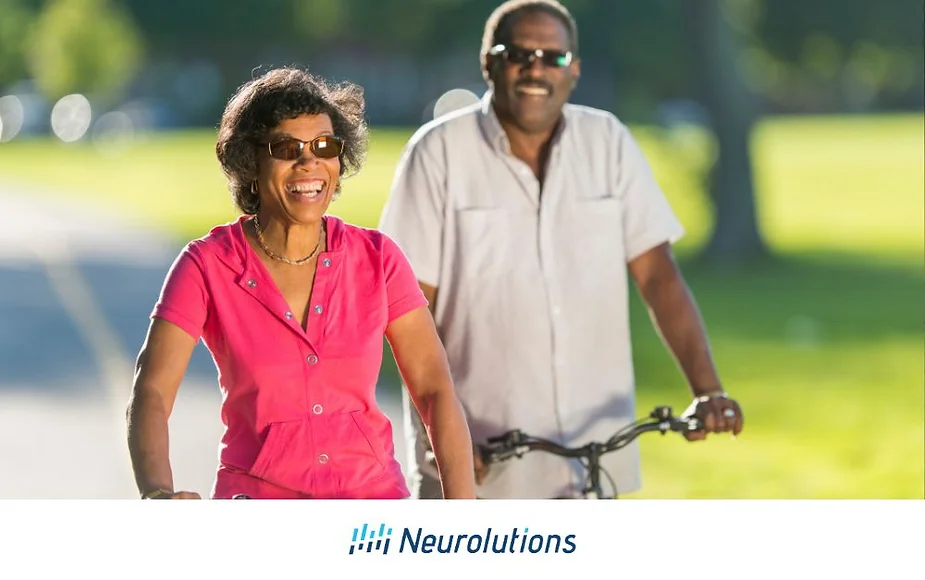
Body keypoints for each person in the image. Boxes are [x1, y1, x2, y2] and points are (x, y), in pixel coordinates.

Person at [377, 0, 744, 499]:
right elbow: (407, 310)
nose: (535, 68)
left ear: (574, 69)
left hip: (595, 459)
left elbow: (658, 275)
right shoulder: (438, 152)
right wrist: (444, 432)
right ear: (488, 62)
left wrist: (708, 390)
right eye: (518, 53)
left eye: (552, 56)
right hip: (478, 460)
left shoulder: (608, 142)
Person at [125, 67, 476, 500]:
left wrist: (463, 517)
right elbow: (153, 390)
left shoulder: (378, 259)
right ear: (251, 161)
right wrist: (157, 493)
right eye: (287, 147)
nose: (309, 161)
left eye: (324, 146)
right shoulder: (207, 265)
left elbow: (435, 389)